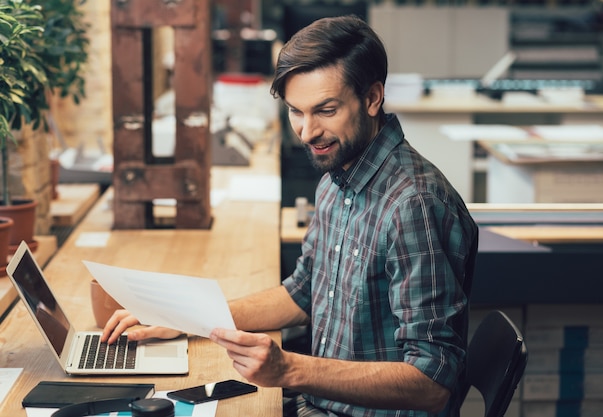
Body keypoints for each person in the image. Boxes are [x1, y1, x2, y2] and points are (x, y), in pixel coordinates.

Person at [102, 15, 479, 417]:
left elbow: (433, 383)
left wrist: (290, 369)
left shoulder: (413, 205)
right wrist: (186, 318)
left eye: (325, 110)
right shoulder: (338, 178)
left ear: (372, 98)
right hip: (314, 406)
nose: (306, 131)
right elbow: (302, 293)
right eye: (296, 112)